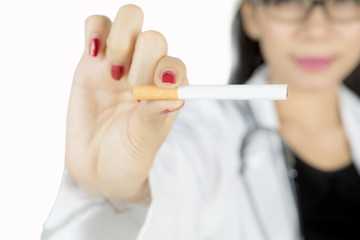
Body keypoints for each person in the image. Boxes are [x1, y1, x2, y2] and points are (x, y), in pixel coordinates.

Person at [42, 0, 360, 239]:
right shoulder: (206, 133)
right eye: (289, 1)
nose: (318, 27)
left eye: (343, 0)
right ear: (251, 16)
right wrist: (116, 192)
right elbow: (169, 179)